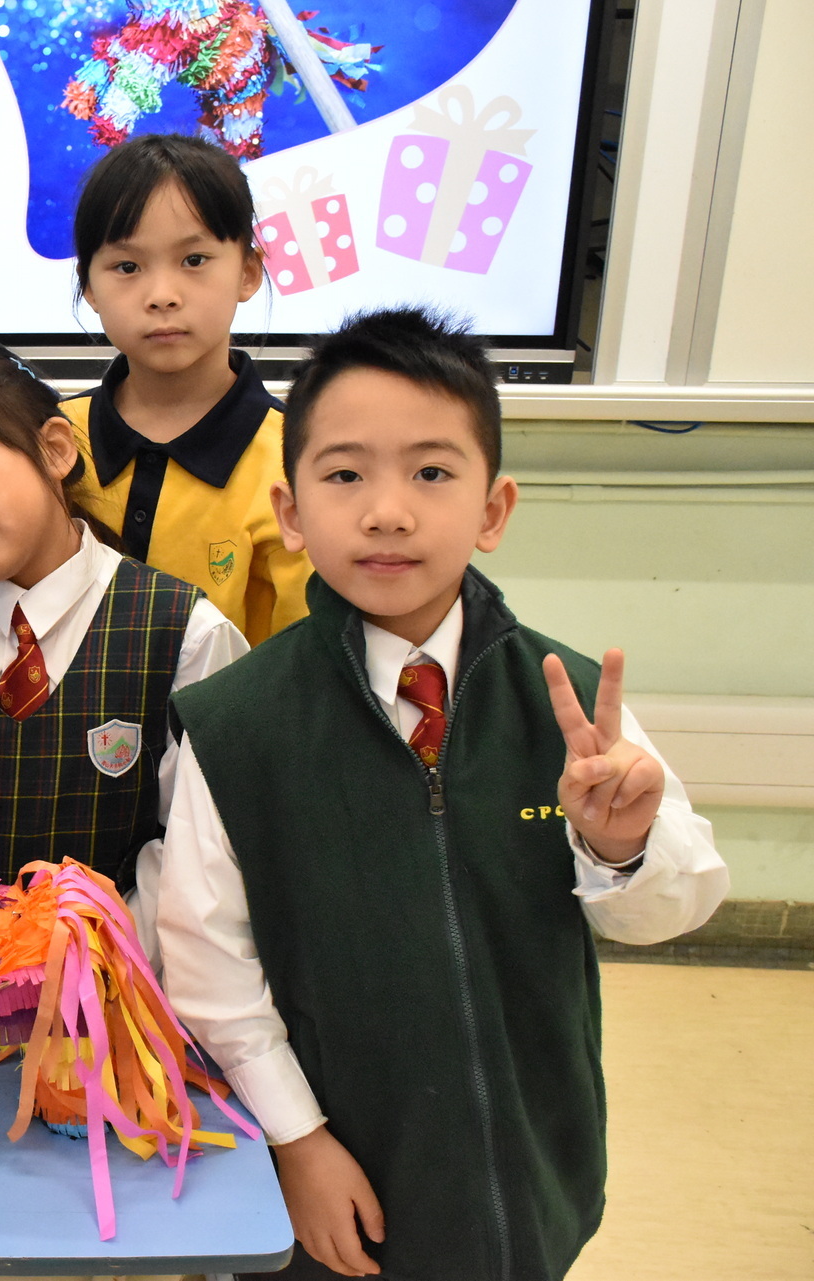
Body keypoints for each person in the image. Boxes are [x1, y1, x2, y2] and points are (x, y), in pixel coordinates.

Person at [155, 308, 730, 1281]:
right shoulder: (239, 722)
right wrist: (297, 1140)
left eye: (431, 472)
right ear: (290, 512)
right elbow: (208, 961)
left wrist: (621, 848)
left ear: (493, 509)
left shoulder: (568, 704)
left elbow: (675, 908)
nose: (388, 512)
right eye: (345, 475)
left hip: (531, 1161)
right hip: (340, 1167)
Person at [0, 334, 246, 960]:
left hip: (122, 990)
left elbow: (208, 855)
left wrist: (95, 961)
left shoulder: (186, 634)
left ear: (55, 450)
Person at [63, 132, 312, 644]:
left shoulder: (296, 459)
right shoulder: (53, 443)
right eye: (127, 267)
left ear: (248, 272)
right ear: (89, 286)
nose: (162, 296)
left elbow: (306, 658)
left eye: (194, 260)